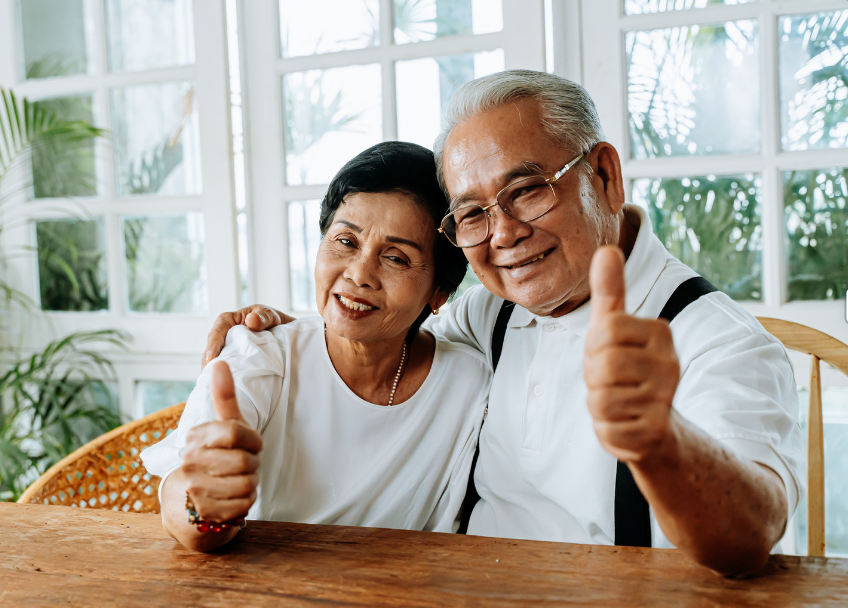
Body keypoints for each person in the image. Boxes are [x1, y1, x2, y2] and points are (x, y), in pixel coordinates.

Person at [202, 71, 803, 575]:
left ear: (604, 176)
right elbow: (390, 309)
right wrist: (289, 335)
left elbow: (753, 534)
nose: (505, 234)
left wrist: (659, 439)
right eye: (472, 213)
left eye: (527, 190)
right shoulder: (491, 310)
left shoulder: (718, 342)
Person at [141, 142, 490, 552]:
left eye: (395, 258)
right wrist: (205, 506)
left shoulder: (469, 381)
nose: (359, 274)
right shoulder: (259, 356)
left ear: (440, 293)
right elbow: (183, 500)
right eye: (345, 241)